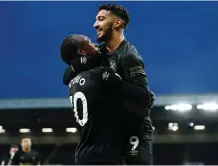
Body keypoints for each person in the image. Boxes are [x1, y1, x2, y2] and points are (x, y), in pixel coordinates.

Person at [62, 4, 154, 165]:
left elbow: (144, 99)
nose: (95, 25)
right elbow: (66, 76)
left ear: (117, 23)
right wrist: (79, 64)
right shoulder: (98, 53)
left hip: (134, 132)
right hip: (110, 136)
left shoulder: (129, 56)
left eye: (101, 19)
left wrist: (113, 81)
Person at [60, 34, 142, 165]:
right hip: (104, 155)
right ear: (81, 52)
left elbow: (67, 74)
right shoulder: (100, 74)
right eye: (90, 43)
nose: (95, 45)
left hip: (84, 154)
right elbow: (138, 96)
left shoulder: (72, 80)